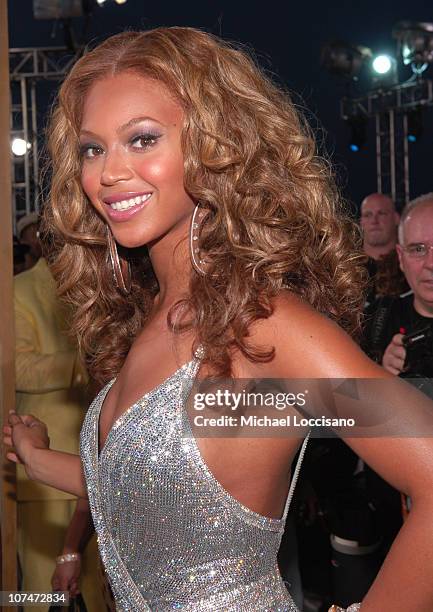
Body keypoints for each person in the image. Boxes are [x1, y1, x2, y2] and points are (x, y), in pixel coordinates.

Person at [3, 28, 433, 612]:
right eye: (92, 148)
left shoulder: (265, 328)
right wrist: (35, 458)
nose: (108, 172)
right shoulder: (156, 324)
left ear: (216, 144)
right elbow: (160, 500)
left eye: (142, 138)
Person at [13, 246, 104, 610]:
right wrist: (85, 363)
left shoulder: (95, 286)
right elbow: (16, 366)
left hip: (97, 459)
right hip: (43, 468)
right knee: (39, 589)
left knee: (98, 587)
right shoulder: (19, 290)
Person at [365, 194, 433, 379]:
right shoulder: (376, 321)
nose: (431, 263)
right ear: (401, 258)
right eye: (418, 249)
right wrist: (381, 377)